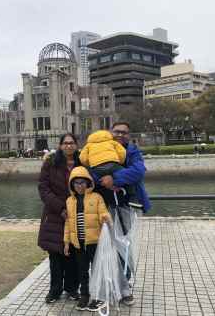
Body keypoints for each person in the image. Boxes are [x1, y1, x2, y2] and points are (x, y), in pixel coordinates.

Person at [96, 121, 151, 306]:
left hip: (126, 205)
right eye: (116, 131)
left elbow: (139, 171)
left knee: (124, 245)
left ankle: (125, 285)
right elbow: (90, 171)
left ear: (129, 135)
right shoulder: (99, 148)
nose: (120, 135)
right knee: (104, 245)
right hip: (103, 206)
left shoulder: (132, 151)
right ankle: (107, 282)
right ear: (110, 133)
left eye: (124, 132)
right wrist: (104, 181)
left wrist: (114, 178)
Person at [38, 133, 80, 304]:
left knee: (73, 254)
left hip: (76, 213)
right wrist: (61, 207)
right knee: (55, 255)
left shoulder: (82, 161)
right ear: (61, 145)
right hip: (54, 214)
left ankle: (71, 288)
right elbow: (43, 188)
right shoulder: (51, 162)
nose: (68, 146)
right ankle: (55, 290)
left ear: (76, 145)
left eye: (72, 143)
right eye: (65, 143)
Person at [63, 166, 111, 311]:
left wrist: (106, 218)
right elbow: (67, 223)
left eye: (82, 182)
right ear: (72, 185)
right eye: (76, 183)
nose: (79, 186)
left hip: (94, 242)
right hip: (78, 244)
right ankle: (85, 295)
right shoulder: (69, 201)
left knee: (97, 270)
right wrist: (66, 243)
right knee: (82, 271)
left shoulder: (96, 197)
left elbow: (103, 212)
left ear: (88, 182)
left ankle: (99, 296)